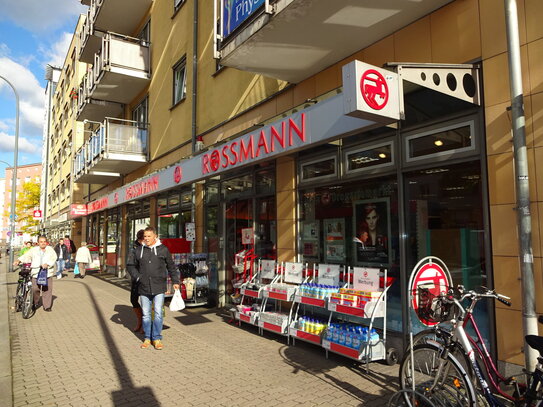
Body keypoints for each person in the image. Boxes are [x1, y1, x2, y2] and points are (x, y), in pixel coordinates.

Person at [127, 226, 179, 350]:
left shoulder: (163, 250)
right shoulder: (138, 250)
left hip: (159, 286)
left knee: (158, 313)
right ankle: (147, 338)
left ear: (155, 236)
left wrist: (175, 281)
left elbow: (171, 266)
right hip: (144, 287)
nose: (146, 238)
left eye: (149, 236)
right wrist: (138, 277)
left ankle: (156, 338)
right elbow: (130, 265)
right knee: (145, 314)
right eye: (145, 236)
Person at [14, 235, 57, 311]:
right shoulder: (34, 250)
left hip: (47, 273)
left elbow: (54, 258)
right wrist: (19, 260)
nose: (43, 243)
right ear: (38, 243)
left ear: (46, 242)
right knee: (34, 289)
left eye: (44, 242)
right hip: (36, 272)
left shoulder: (50, 249)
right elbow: (26, 256)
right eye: (41, 242)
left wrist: (48, 264)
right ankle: (34, 302)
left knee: (47, 290)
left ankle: (47, 306)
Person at [129, 229, 145, 332]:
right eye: (143, 239)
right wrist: (137, 276)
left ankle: (145, 323)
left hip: (148, 279)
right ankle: (139, 320)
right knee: (133, 300)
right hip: (137, 278)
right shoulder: (134, 248)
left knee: (146, 302)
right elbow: (130, 265)